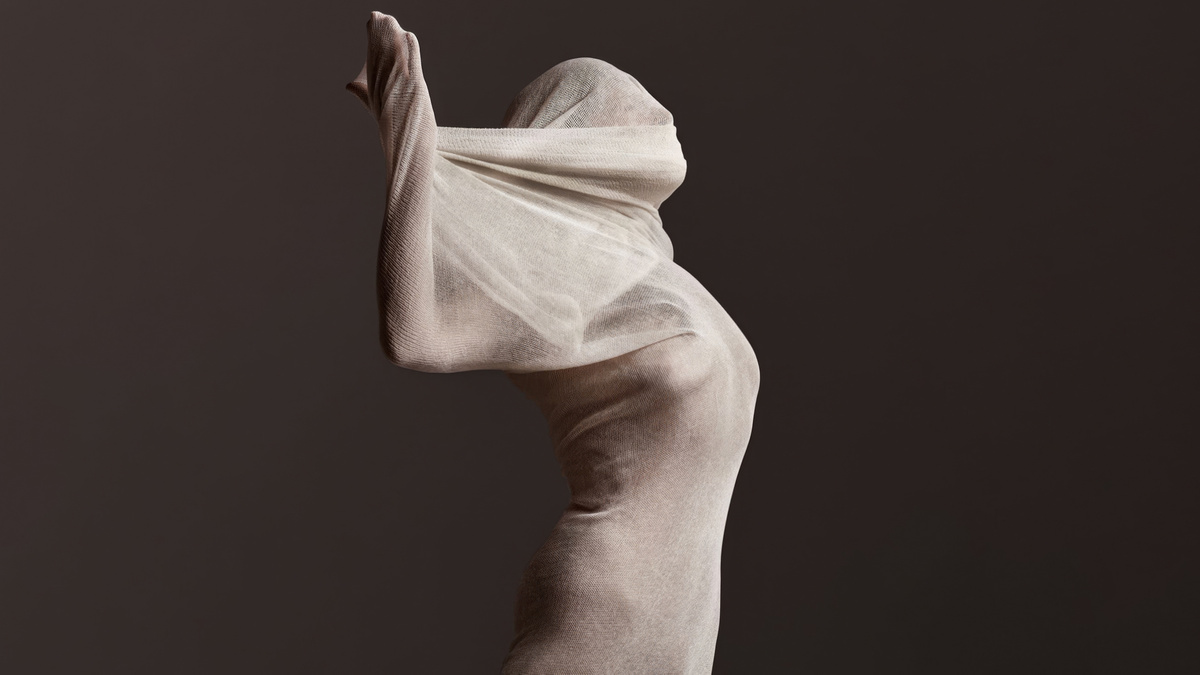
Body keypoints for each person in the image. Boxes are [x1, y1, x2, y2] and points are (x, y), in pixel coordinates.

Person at [347, 11, 760, 673]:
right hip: (604, 598)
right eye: (622, 109)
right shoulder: (555, 295)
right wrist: (406, 131)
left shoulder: (657, 274)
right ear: (572, 139)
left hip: (685, 624)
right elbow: (412, 338)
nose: (655, 122)